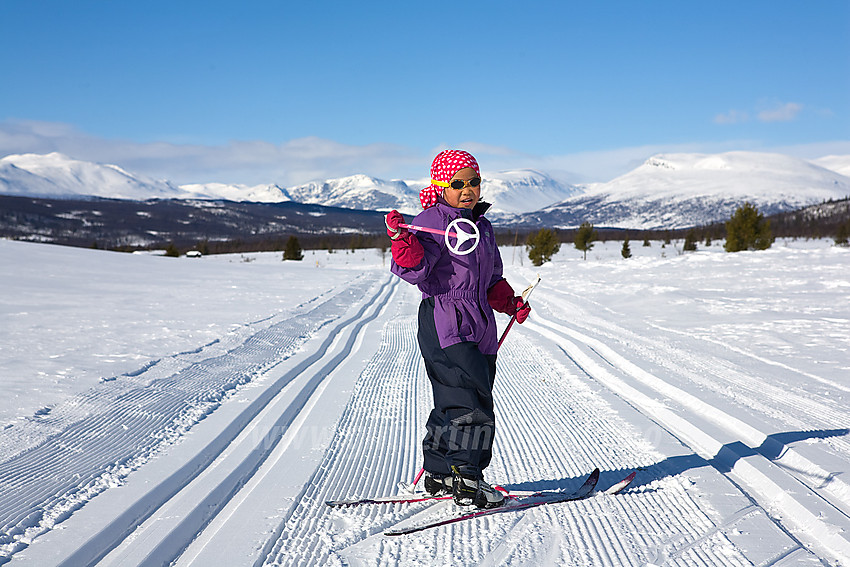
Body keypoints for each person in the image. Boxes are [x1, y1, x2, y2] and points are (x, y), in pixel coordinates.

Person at [385, 149, 531, 509]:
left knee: (452, 398)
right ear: (440, 186)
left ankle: (440, 472)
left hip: (478, 321)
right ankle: (467, 478)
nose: (468, 190)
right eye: (458, 183)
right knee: (470, 401)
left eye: (474, 182)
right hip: (446, 319)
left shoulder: (482, 225)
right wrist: (400, 240)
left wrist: (510, 302)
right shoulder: (431, 222)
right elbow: (415, 269)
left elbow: (492, 278)